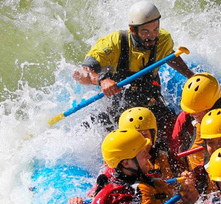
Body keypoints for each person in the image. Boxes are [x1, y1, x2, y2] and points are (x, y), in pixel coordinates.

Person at [73, 1, 194, 140]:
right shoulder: (113, 43)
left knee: (179, 134)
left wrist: (190, 75)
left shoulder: (163, 39)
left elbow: (169, 55)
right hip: (120, 110)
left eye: (155, 29)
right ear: (132, 30)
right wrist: (102, 80)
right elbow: (82, 72)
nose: (152, 36)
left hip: (151, 104)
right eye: (145, 31)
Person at [68, 107, 186, 204]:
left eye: (144, 135)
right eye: (135, 136)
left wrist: (188, 180)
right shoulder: (118, 166)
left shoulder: (167, 156)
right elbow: (95, 197)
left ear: (153, 135)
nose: (140, 143)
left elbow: (185, 177)